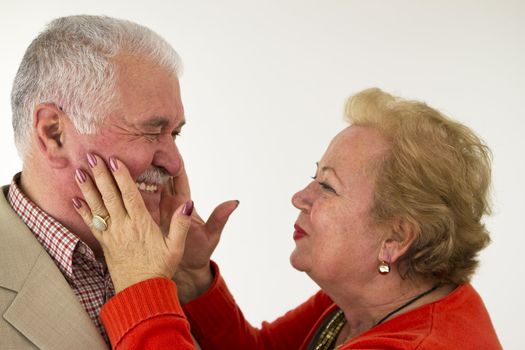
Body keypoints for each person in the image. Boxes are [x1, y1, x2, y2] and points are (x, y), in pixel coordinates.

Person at [76, 88, 502, 349]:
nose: (300, 197)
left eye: (328, 187)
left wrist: (142, 287)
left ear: (395, 238)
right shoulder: (371, 297)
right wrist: (191, 277)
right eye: (312, 177)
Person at [0, 15, 237, 349]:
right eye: (151, 131)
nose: (174, 162)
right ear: (54, 134)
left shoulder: (167, 264)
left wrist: (188, 282)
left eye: (175, 133)